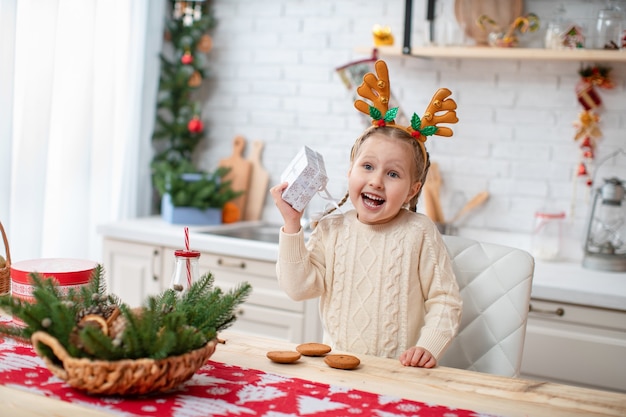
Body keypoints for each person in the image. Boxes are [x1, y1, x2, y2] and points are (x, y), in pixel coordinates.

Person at [269, 60, 462, 368]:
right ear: (350, 171)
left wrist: (428, 346)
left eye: (393, 174)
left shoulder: (420, 232)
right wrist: (292, 225)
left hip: (399, 372)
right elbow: (298, 289)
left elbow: (445, 299)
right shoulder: (330, 230)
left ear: (413, 190)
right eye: (368, 167)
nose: (376, 181)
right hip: (337, 368)